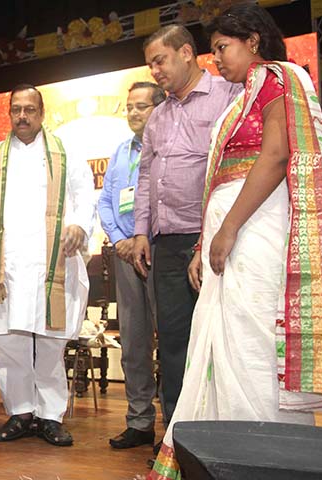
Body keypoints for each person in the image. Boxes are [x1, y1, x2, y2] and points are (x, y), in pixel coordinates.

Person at [149, 5, 322, 478]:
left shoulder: (276, 76)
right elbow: (222, 176)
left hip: (257, 227)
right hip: (236, 229)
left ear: (254, 41)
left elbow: (275, 154)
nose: (217, 59)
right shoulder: (242, 96)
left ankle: (264, 459)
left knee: (256, 342)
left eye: (222, 47)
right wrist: (210, 238)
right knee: (227, 343)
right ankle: (224, 454)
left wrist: (227, 230)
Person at [131, 25, 243, 434]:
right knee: (174, 340)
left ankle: (220, 431)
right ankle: (178, 434)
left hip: (214, 240)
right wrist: (142, 230)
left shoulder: (227, 96)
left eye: (159, 60)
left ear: (185, 53)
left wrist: (209, 238)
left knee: (218, 336)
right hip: (165, 241)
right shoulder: (158, 116)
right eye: (150, 64)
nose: (154, 70)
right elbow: (146, 177)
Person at [0, 84, 95, 447]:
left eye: (30, 110)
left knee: (50, 343)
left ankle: (50, 416)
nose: (22, 116)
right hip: (7, 263)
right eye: (16, 109)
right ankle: (20, 412)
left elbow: (83, 195)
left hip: (52, 260)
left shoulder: (66, 154)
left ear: (42, 113)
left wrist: (79, 224)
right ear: (9, 113)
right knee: (8, 342)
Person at [99, 82, 165, 450]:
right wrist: (118, 239)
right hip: (126, 255)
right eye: (129, 107)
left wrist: (145, 238)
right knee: (134, 343)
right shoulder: (121, 152)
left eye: (142, 107)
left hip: (161, 251)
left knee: (169, 342)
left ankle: (174, 426)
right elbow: (107, 201)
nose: (134, 113)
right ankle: (140, 422)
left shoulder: (169, 145)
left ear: (159, 108)